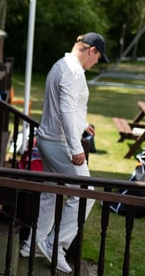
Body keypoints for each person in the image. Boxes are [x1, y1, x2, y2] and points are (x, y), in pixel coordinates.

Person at [20, 32, 109, 273]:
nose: (97, 63)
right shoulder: (73, 71)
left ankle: (31, 245)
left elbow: (69, 108)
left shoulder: (61, 64)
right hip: (60, 144)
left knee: (50, 193)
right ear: (91, 50)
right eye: (99, 57)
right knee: (86, 194)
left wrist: (83, 124)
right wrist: (76, 147)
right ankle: (54, 245)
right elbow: (66, 109)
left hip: (47, 140)